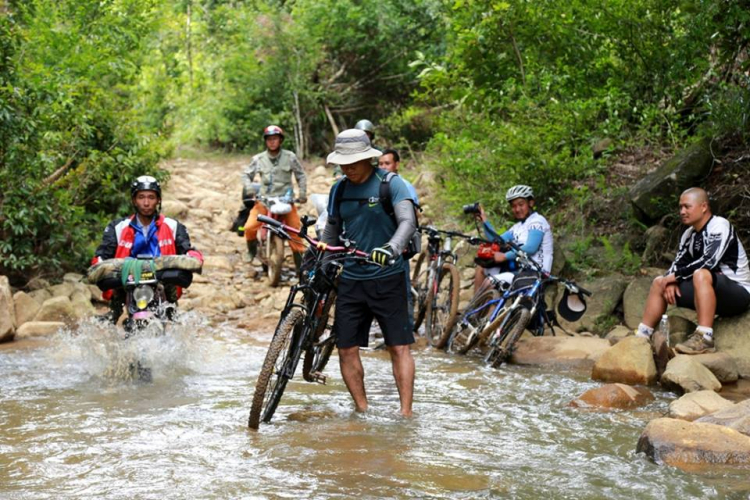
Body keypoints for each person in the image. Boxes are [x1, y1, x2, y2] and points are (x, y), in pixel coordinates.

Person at [321, 128, 417, 417]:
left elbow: (407, 221)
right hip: (351, 279)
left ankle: (405, 413)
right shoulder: (339, 189)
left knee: (398, 347)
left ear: (368, 159)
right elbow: (332, 230)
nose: (348, 168)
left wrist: (391, 247)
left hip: (389, 278)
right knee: (346, 347)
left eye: (354, 161)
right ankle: (362, 411)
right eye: (343, 162)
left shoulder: (391, 184)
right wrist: (323, 258)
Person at [635, 187, 750, 354]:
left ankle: (704, 337)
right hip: (705, 291)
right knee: (659, 282)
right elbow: (677, 264)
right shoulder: (689, 234)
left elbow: (708, 262)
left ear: (703, 207)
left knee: (701, 274)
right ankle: (642, 337)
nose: (682, 211)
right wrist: (670, 280)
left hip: (737, 293)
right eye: (680, 207)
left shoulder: (719, 226)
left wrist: (675, 277)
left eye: (687, 207)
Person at [91, 175, 203, 324]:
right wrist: (98, 265)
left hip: (161, 277)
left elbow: (186, 248)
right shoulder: (118, 227)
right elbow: (103, 253)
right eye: (141, 197)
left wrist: (193, 257)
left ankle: (172, 312)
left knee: (172, 310)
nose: (146, 203)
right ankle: (114, 312)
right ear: (134, 200)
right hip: (128, 278)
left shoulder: (173, 226)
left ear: (158, 200)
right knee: (113, 307)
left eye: (151, 197)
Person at [242, 125, 308, 274]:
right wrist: (250, 189)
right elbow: (246, 175)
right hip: (264, 201)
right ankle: (251, 251)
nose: (272, 142)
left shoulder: (290, 157)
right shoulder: (258, 159)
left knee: (296, 233)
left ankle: (300, 268)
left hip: (286, 202)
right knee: (249, 227)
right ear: (266, 141)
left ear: (280, 140)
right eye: (269, 139)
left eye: (275, 139)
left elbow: (301, 175)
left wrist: (302, 193)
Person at [473, 185, 554, 292]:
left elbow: (530, 248)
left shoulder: (537, 221)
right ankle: (474, 307)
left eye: (521, 204)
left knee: (490, 283)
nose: (517, 209)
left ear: (530, 203)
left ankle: (484, 307)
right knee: (482, 269)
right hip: (519, 270)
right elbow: (496, 240)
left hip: (534, 273)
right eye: (513, 206)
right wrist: (484, 220)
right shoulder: (518, 227)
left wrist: (504, 256)